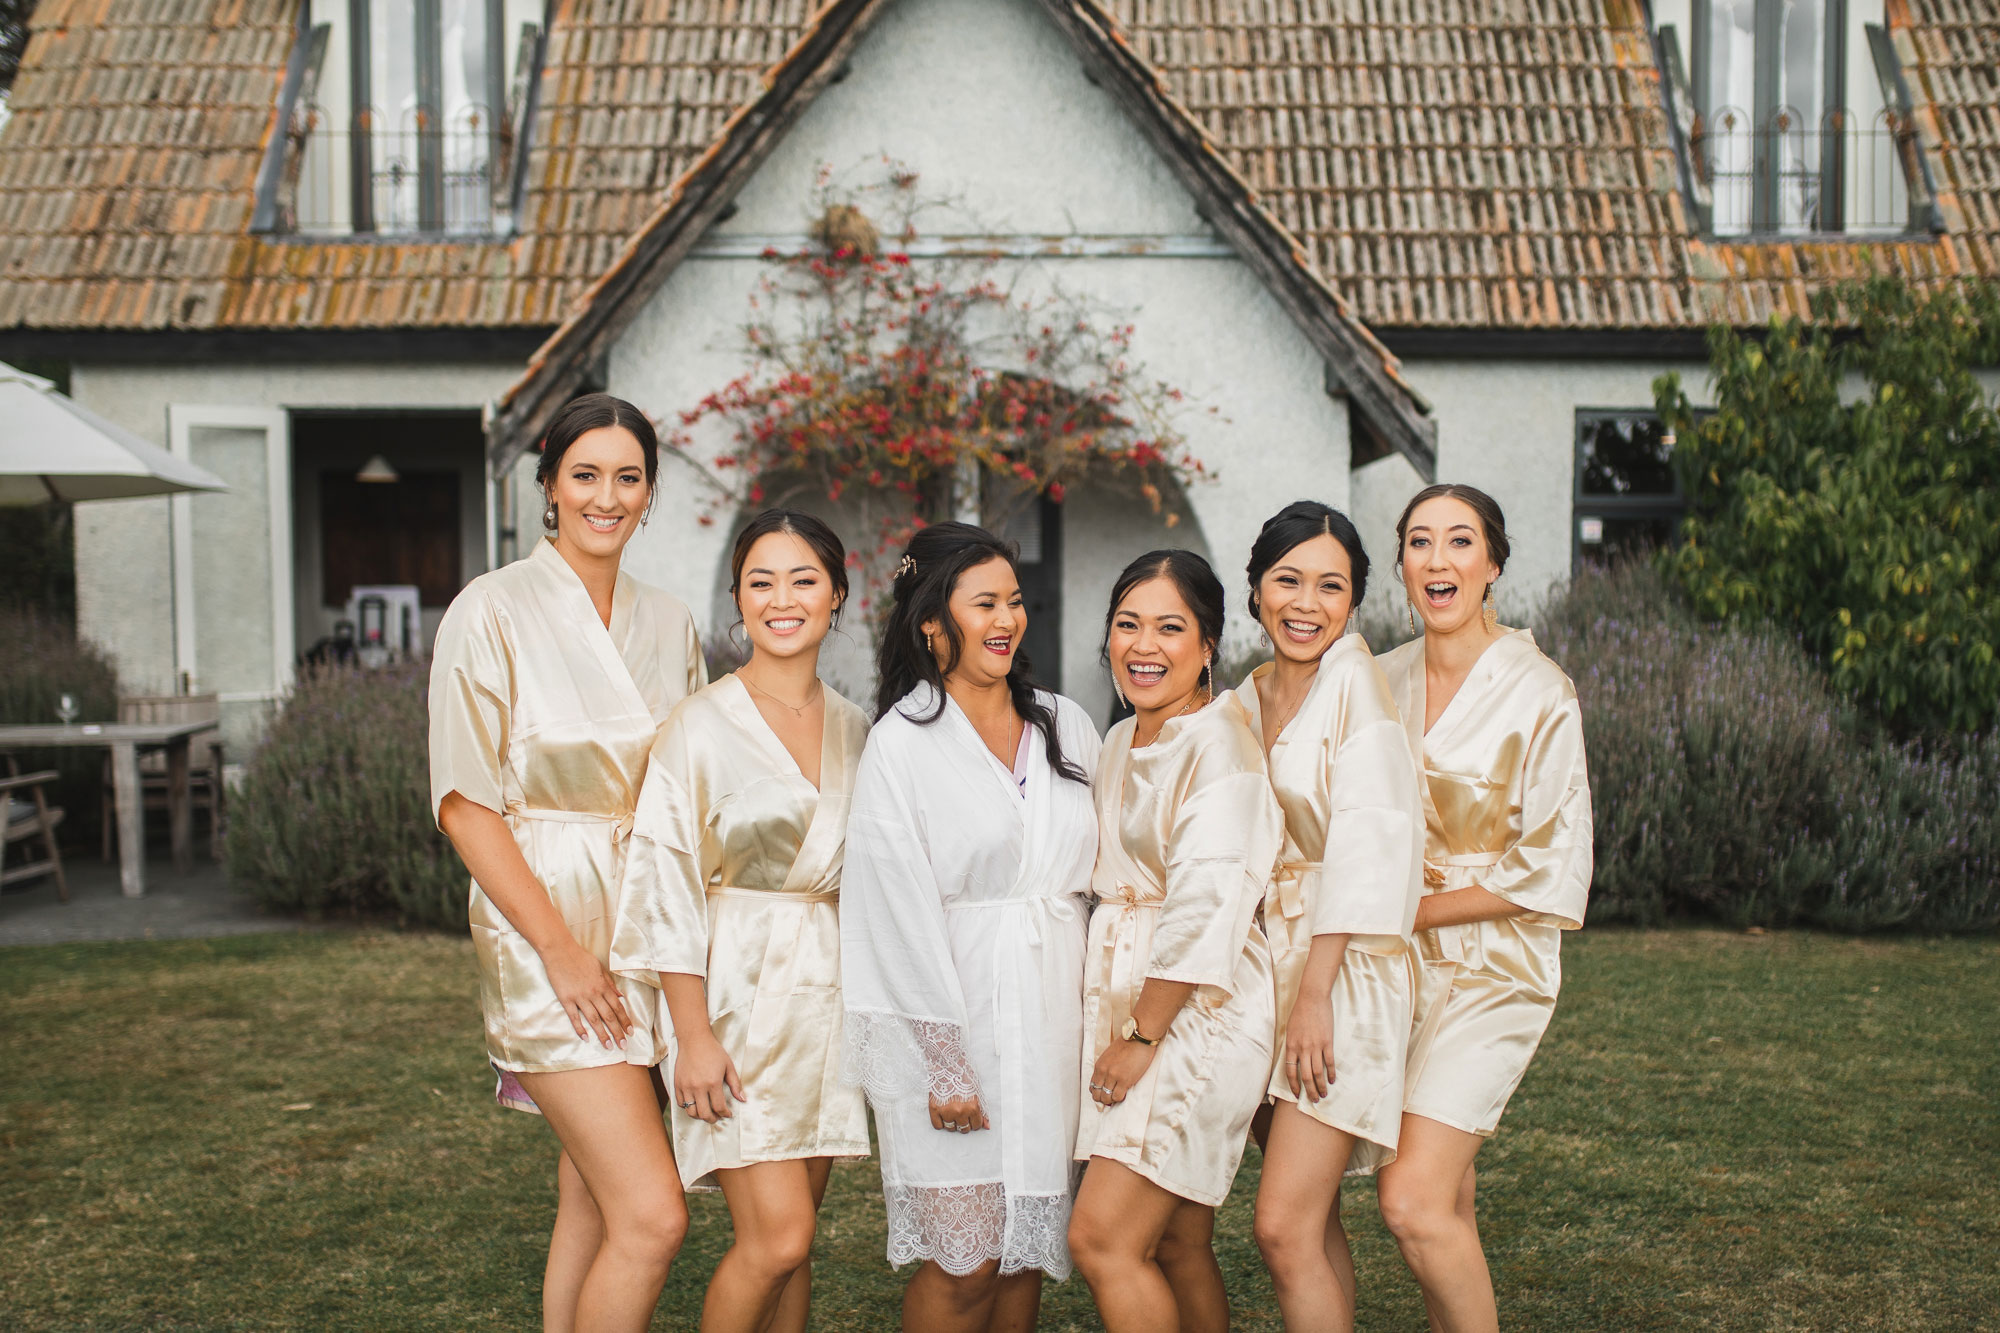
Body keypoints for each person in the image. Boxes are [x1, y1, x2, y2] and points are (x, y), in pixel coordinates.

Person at [429, 393, 705, 1333]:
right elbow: (466, 804)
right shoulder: (489, 609)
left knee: (591, 1196)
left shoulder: (670, 624)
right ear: (549, 483)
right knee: (653, 1212)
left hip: (647, 920)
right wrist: (560, 950)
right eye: (585, 474)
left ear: (650, 492)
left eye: (628, 477)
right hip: (544, 919)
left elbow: (694, 782)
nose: (606, 495)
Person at [614, 509, 871, 1333]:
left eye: (803, 579)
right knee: (777, 1234)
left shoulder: (859, 728)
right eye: (761, 582)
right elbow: (662, 883)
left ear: (837, 594)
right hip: (732, 1003)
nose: (782, 598)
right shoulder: (697, 725)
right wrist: (691, 1035)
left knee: (796, 1245)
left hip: (825, 1008)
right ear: (738, 598)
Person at [841, 521, 1101, 1333]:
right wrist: (944, 1063)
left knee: (1022, 1257)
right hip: (957, 1023)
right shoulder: (901, 745)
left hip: (1054, 1020)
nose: (1008, 618)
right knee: (964, 1264)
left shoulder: (1064, 723)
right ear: (932, 621)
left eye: (1015, 601)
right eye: (984, 601)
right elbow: (893, 913)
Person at [1373, 484, 1593, 1333]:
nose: (1439, 559)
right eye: (1420, 541)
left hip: (1497, 960)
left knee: (1412, 1199)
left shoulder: (1541, 690)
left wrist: (1410, 911)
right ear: (1402, 565)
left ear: (1492, 564)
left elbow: (1552, 864)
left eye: (1459, 541)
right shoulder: (1377, 675)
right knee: (1448, 1200)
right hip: (1398, 967)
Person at [1067, 549, 1283, 1333]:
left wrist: (1141, 1034)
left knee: (1103, 1239)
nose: (1143, 645)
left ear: (1208, 643)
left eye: (1169, 627)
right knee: (1179, 1240)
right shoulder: (1123, 737)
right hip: (1134, 990)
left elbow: (1205, 905)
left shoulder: (1217, 745)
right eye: (1128, 624)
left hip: (1196, 1007)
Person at [1228, 501, 1424, 1333]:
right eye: (1288, 580)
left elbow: (1367, 849)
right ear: (1256, 588)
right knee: (1309, 1223)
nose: (1306, 603)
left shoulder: (1357, 689)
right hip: (1265, 964)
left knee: (1279, 1225)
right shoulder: (1246, 692)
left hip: (1338, 972)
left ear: (1354, 601)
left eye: (1330, 586)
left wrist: (1314, 996)